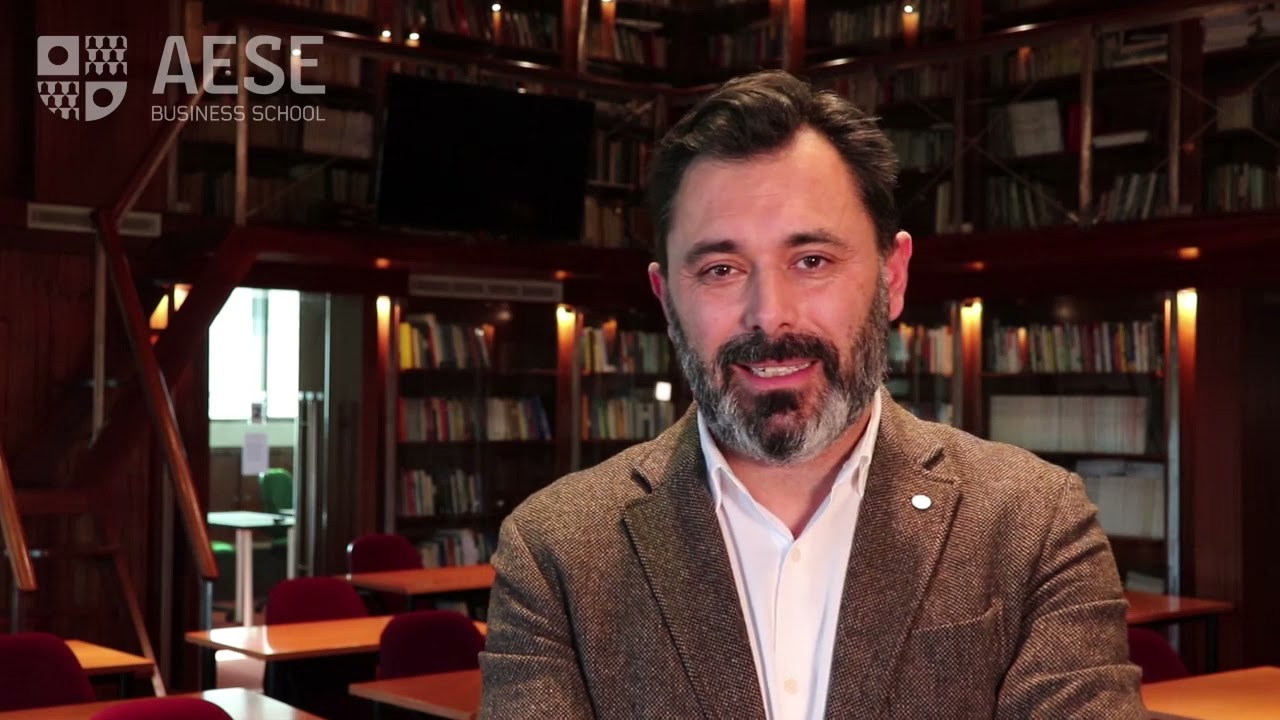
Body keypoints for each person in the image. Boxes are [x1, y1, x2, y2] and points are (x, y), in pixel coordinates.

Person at [478, 69, 1145, 719]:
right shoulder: (556, 550)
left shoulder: (1034, 524)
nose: (770, 314)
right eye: (720, 269)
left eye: (812, 261)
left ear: (893, 277)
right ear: (666, 299)